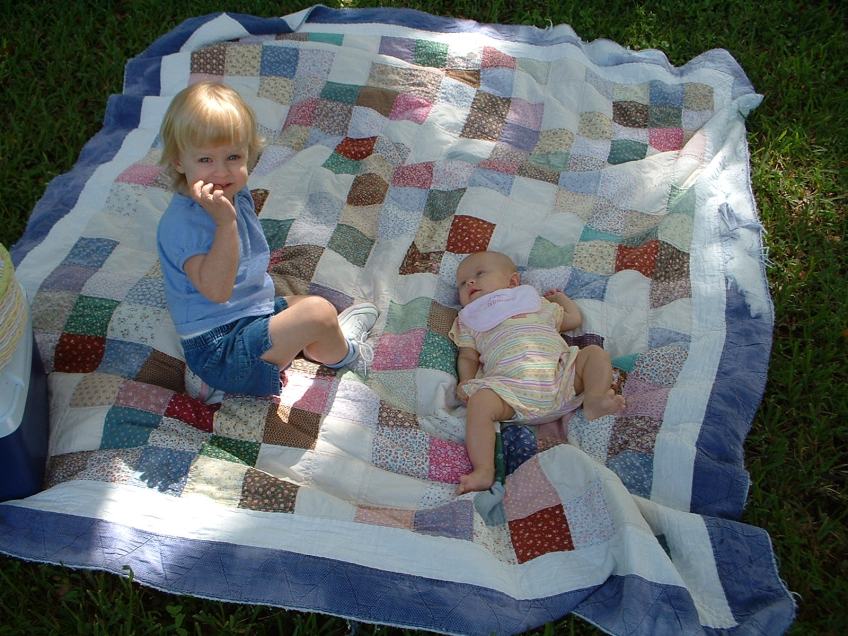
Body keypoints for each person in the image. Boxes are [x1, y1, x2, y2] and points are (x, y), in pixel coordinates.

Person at [156, 81, 378, 398]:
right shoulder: (183, 224)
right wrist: (225, 224)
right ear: (179, 161)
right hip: (221, 351)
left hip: (249, 315)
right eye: (205, 160)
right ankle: (349, 354)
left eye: (233, 156)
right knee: (317, 313)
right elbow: (217, 292)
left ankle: (323, 345)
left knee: (311, 306)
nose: (222, 172)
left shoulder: (232, 191)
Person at [449, 251, 625, 494]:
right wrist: (466, 381)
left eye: (480, 274)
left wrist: (561, 299)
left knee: (594, 353)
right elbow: (468, 356)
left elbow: (573, 319)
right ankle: (484, 470)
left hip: (561, 378)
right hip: (509, 390)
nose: (470, 282)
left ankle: (595, 400)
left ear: (512, 281)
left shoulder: (535, 304)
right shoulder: (469, 319)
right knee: (480, 403)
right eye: (462, 283)